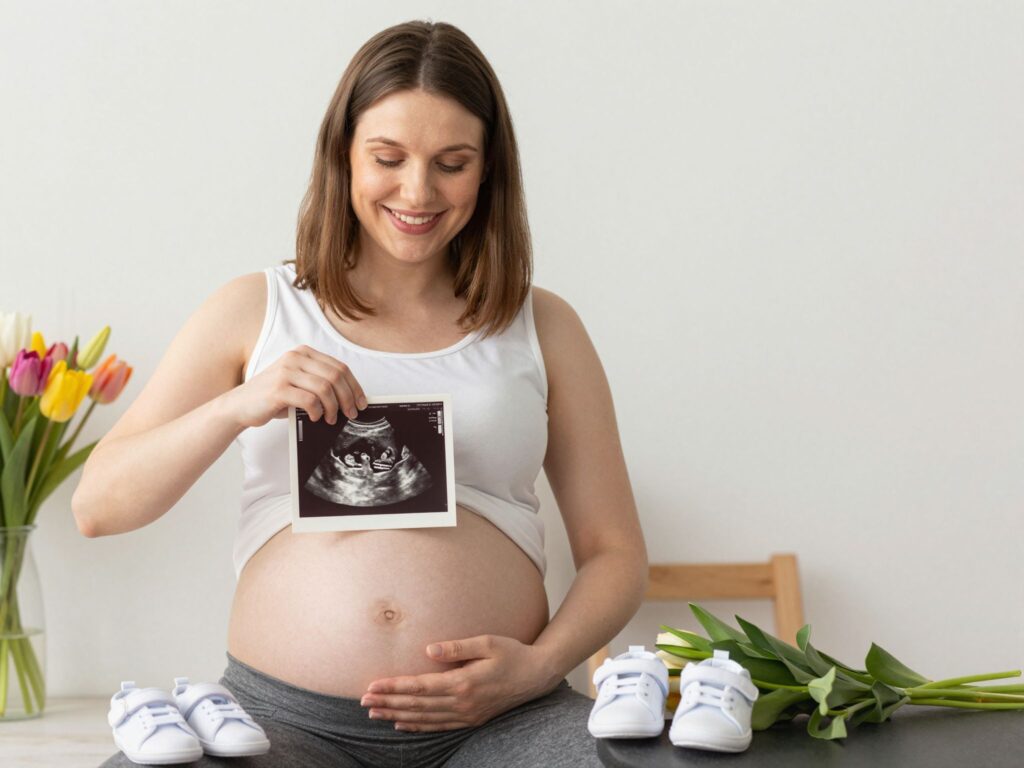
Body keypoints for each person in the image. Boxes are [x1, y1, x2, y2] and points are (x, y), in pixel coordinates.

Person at [76, 19, 647, 768]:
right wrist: (238, 405)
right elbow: (98, 507)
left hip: (505, 721)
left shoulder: (543, 325)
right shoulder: (258, 309)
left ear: (489, 172)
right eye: (388, 157)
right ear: (343, 156)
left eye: (452, 163)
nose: (418, 191)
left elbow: (615, 553)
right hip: (280, 723)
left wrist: (538, 669)